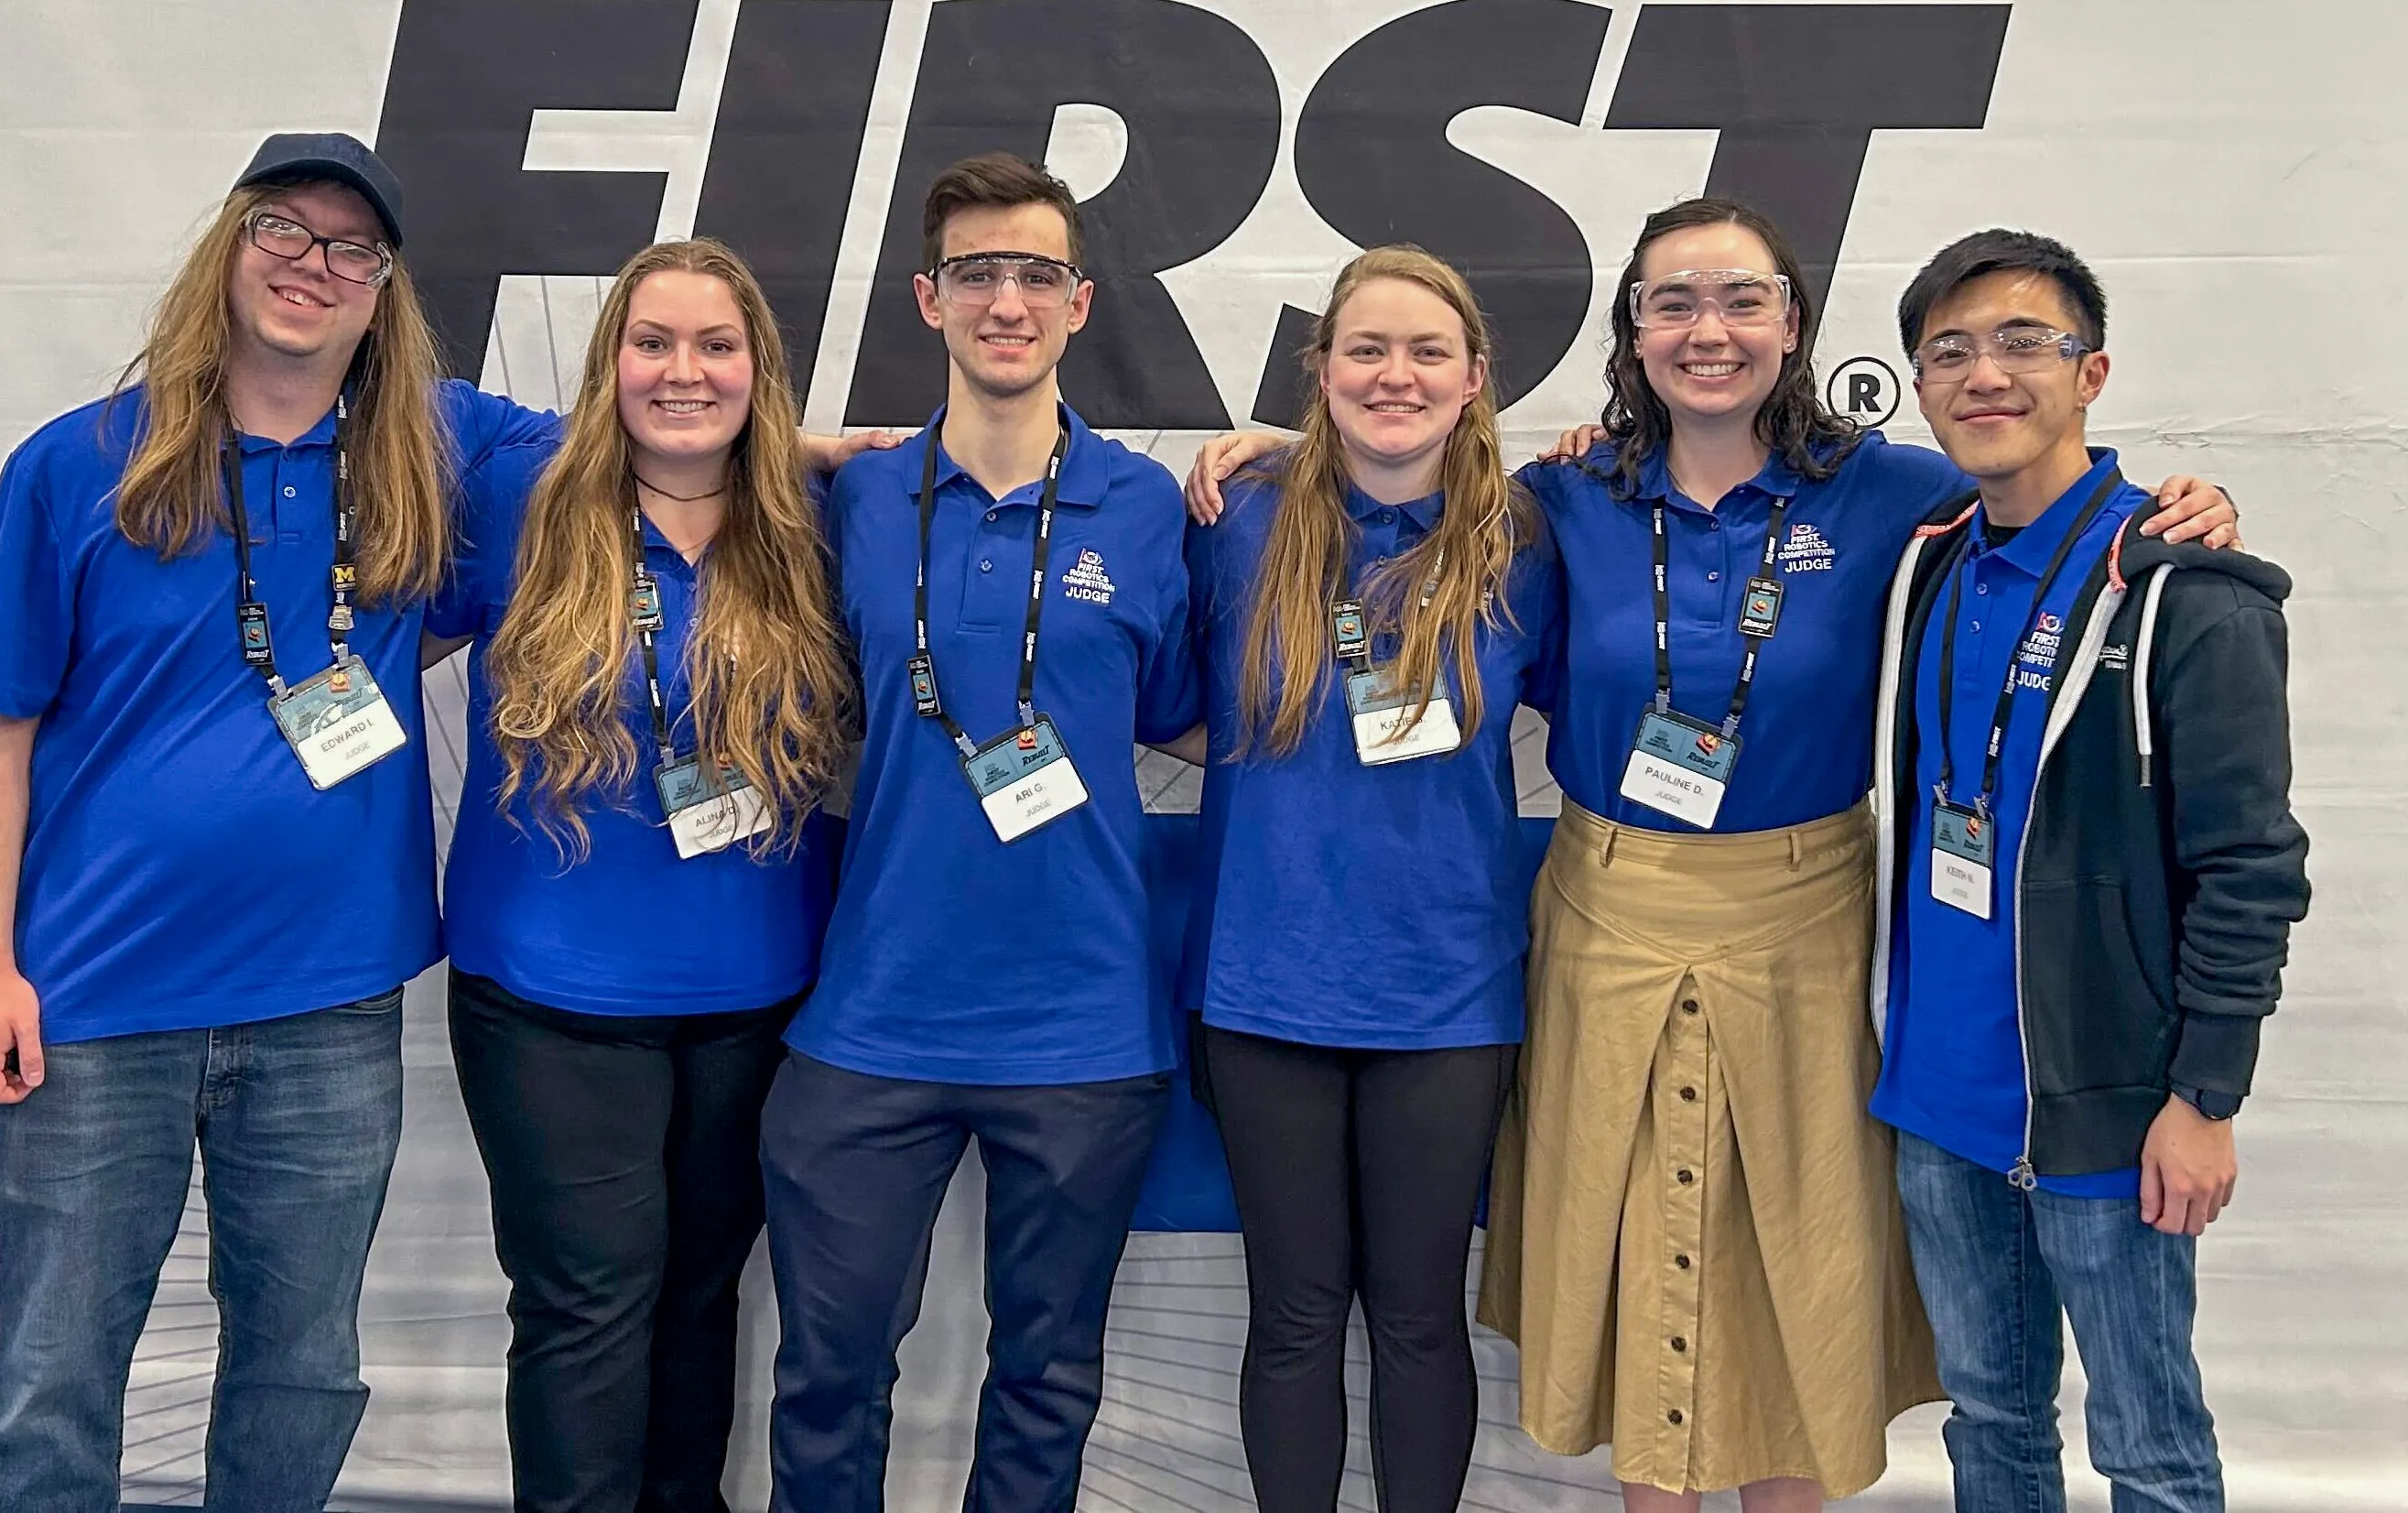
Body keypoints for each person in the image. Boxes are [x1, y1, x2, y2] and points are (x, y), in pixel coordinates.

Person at [1185, 197, 2239, 1511]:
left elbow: (2054, 503)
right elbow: (1391, 488)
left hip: (1804, 925)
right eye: (1673, 302)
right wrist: (1271, 454)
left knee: (1788, 1269)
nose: (1709, 331)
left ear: (1793, 325)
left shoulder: (1894, 490)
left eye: (1742, 301)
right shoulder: (1560, 499)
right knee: (1633, 1260)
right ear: (1631, 330)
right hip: (1605, 916)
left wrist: (2181, 500)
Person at [0, 134, 538, 1513]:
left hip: (327, 1008)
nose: (311, 264)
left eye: (350, 247)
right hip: (91, 1006)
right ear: (229, 246)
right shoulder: (78, 464)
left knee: (302, 1372)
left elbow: (665, 435)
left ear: (382, 288)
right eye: (284, 227)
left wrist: (821, 449)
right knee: (54, 1373)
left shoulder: (428, 451)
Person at [761, 154, 1202, 1513]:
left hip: (1082, 1025)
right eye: (975, 274)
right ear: (928, 299)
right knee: (828, 1380)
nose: (1004, 301)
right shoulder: (851, 500)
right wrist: (795, 446)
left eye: (1033, 275)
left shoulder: (1148, 505)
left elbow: (1192, 721)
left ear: (1077, 305)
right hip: (872, 1020)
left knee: (1047, 1382)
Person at [1870, 229, 2306, 1513]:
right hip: (1938, 1103)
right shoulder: (1930, 559)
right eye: (1948, 351)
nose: (1984, 374)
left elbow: (2253, 867)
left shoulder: (2186, 591)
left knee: (2149, 1448)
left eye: (2024, 343)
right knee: (1990, 1428)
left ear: (2092, 371)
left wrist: (2206, 1094)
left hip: (2110, 1109)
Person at [428, 239, 852, 1513]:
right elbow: (391, 383)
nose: (684, 372)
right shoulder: (523, 491)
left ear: (759, 372)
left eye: (716, 346)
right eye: (651, 343)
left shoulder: (814, 525)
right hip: (551, 996)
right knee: (588, 1302)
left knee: (700, 1296)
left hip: (757, 993)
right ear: (605, 365)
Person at [1179, 247, 1560, 1513]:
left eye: (1426, 354)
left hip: (1446, 994)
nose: (1395, 376)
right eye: (1367, 350)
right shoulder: (1235, 517)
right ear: (1320, 371)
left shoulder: (1529, 536)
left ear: (1473, 381)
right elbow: (1158, 695)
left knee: (1415, 1316)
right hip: (1263, 982)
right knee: (1291, 1313)